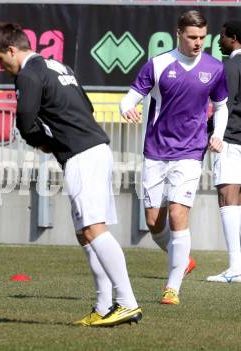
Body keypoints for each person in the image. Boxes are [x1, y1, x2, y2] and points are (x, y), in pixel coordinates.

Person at [0, 22, 142, 327]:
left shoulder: (28, 74)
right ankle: (104, 305)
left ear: (12, 50)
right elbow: (87, 105)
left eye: (1, 60)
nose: (3, 68)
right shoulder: (57, 65)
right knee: (86, 232)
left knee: (94, 229)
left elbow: (25, 123)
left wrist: (46, 143)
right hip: (94, 148)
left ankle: (127, 303)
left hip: (83, 155)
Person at [120, 10, 228, 304]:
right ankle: (182, 259)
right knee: (155, 222)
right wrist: (127, 108)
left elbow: (221, 107)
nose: (198, 43)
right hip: (155, 150)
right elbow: (130, 96)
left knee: (179, 214)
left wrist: (217, 134)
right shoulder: (157, 65)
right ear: (178, 33)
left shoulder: (214, 68)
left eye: (203, 38)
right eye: (192, 37)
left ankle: (172, 287)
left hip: (191, 151)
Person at [207, 20, 241, 283]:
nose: (219, 42)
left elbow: (224, 105)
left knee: (228, 199)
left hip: (230, 139)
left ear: (234, 38)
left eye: (222, 37)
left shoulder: (229, 66)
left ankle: (235, 267)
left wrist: (209, 130)